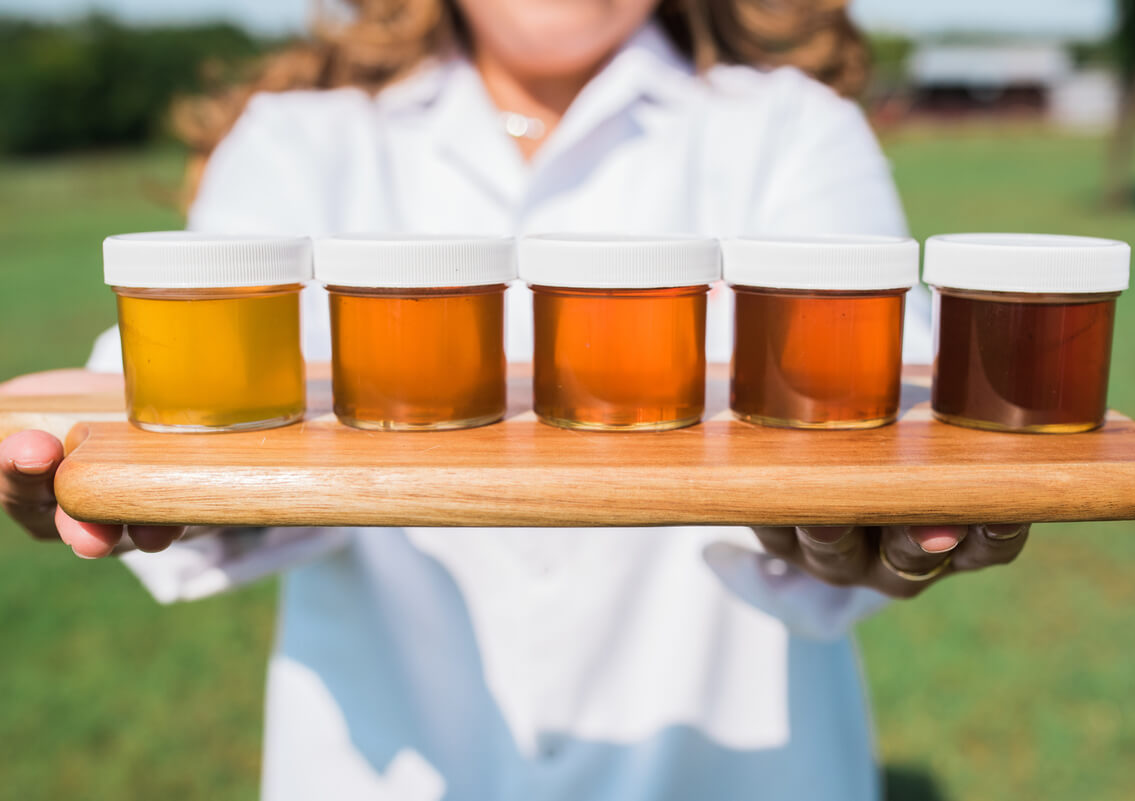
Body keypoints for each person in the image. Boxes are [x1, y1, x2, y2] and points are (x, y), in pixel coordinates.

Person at [0, 1, 1031, 798]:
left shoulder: (793, 127)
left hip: (733, 764)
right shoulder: (299, 140)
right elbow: (189, 403)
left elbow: (897, 422)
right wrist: (137, 478)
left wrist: (867, 531)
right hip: (390, 765)